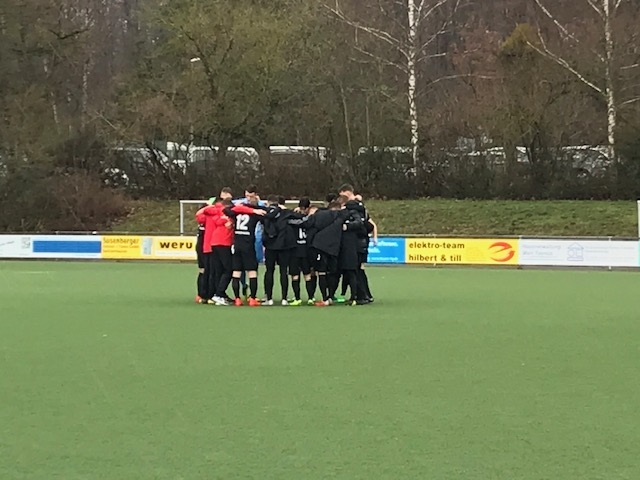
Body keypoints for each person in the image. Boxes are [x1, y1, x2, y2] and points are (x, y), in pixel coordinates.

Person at [223, 199, 267, 306]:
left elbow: (226, 210)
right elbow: (265, 215)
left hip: (237, 245)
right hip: (248, 246)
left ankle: (237, 299)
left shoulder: (236, 213)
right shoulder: (254, 213)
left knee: (236, 272)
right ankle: (252, 298)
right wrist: (255, 210)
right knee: (252, 272)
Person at [195, 188, 233, 304]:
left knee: (211, 271)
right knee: (213, 271)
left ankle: (207, 295)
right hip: (213, 243)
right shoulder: (220, 211)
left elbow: (199, 216)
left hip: (210, 244)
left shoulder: (211, 212)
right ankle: (210, 294)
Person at [262, 195, 296, 305]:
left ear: (268, 203)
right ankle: (284, 299)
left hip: (270, 246)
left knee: (269, 271)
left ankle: (269, 298)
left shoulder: (265, 212)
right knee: (283, 271)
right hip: (283, 246)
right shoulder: (285, 212)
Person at [288, 197, 316, 306]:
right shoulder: (311, 219)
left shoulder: (292, 219)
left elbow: (289, 220)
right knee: (307, 275)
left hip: (295, 250)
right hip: (305, 249)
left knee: (295, 275)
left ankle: (297, 298)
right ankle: (310, 298)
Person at [195, 197, 215, 303]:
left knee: (203, 270)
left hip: (201, 246)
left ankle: (201, 294)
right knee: (206, 270)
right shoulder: (205, 217)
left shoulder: (202, 217)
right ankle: (203, 294)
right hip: (204, 246)